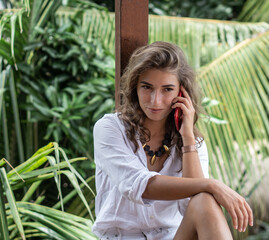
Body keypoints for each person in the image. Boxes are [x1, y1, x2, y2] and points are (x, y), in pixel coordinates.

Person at [92, 41, 253, 240]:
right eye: (147, 87)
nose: (155, 100)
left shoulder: (192, 142)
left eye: (167, 89)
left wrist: (187, 139)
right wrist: (212, 185)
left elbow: (193, 202)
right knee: (205, 191)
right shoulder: (110, 129)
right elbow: (140, 186)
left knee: (203, 200)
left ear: (181, 92)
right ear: (135, 87)